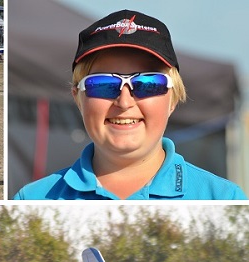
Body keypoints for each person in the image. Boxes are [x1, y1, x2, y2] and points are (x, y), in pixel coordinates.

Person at [14, 9, 247, 201]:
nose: (124, 102)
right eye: (103, 84)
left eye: (148, 84)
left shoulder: (223, 197)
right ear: (78, 98)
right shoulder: (32, 198)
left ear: (173, 99)